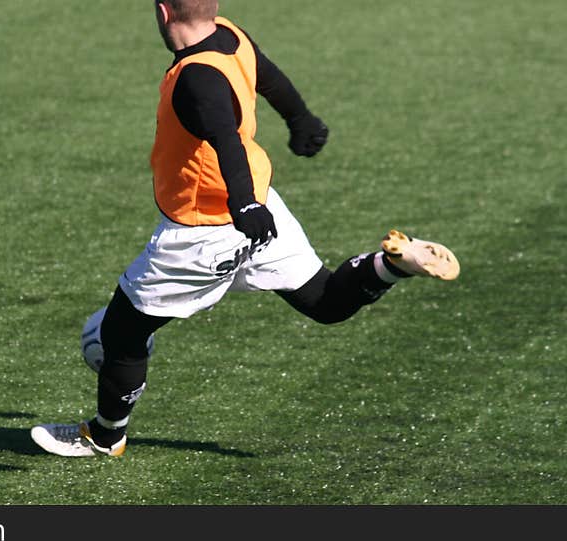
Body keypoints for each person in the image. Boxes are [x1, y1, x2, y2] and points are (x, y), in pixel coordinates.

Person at [30, 0, 460, 457]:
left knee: (121, 333)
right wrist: (300, 119)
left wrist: (243, 203)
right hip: (261, 207)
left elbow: (225, 139)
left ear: (162, 13)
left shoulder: (195, 77)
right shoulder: (229, 35)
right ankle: (394, 262)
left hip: (207, 229)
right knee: (324, 300)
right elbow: (267, 75)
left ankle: (105, 436)